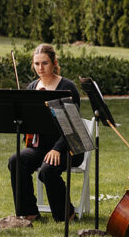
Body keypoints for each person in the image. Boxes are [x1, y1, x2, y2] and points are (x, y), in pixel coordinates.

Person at [7, 43, 84, 222]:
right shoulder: (32, 86)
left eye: (45, 63)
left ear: (54, 63)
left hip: (68, 146)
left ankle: (66, 215)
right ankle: (28, 213)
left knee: (47, 171)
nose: (40, 68)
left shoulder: (67, 87)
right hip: (40, 147)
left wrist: (57, 148)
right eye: (37, 64)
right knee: (16, 160)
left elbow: (72, 125)